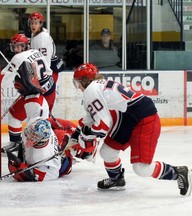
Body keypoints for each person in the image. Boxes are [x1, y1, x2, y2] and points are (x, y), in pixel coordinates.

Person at [66, 63, 192, 196]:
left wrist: (85, 139)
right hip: (128, 117)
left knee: (141, 168)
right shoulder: (97, 86)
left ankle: (179, 173)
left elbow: (103, 127)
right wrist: (76, 135)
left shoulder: (91, 91)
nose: (77, 86)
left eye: (77, 82)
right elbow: (90, 119)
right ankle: (117, 179)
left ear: (84, 80)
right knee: (107, 152)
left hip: (144, 118)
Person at [0, 33, 57, 153]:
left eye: (19, 46)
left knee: (37, 123)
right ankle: (17, 143)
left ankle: (43, 148)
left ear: (26, 45)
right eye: (14, 46)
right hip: (49, 90)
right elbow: (47, 71)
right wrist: (31, 85)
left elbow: (3, 77)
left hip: (37, 95)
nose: (16, 49)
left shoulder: (18, 58)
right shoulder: (37, 52)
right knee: (18, 114)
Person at [7, 117, 75, 182]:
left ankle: (66, 163)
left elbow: (52, 174)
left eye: (35, 136)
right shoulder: (43, 126)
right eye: (31, 131)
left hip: (52, 166)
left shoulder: (40, 155)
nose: (30, 135)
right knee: (60, 134)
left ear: (41, 140)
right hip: (54, 151)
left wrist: (28, 172)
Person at [28, 12, 65, 84]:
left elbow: (45, 61)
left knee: (45, 95)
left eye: (36, 23)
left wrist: (45, 77)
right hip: (45, 73)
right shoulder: (35, 34)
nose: (33, 25)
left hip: (48, 73)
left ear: (40, 24)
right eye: (31, 23)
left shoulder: (43, 38)